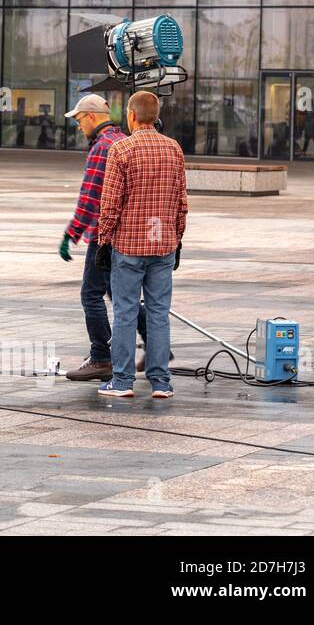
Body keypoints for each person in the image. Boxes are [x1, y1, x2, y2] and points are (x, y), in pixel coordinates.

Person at [94, 90, 188, 399]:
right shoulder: (174, 149)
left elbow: (110, 204)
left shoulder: (122, 150)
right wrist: (178, 239)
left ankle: (122, 382)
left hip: (129, 246)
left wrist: (103, 241)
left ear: (132, 116)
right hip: (163, 245)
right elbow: (181, 203)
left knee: (125, 313)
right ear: (156, 116)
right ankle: (160, 382)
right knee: (159, 313)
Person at [59, 94, 150, 382]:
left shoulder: (102, 148)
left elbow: (90, 199)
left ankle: (101, 357)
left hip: (104, 234)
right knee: (120, 294)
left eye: (78, 119)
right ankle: (158, 345)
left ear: (91, 116)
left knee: (91, 294)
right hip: (126, 233)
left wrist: (70, 234)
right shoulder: (123, 141)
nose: (77, 125)